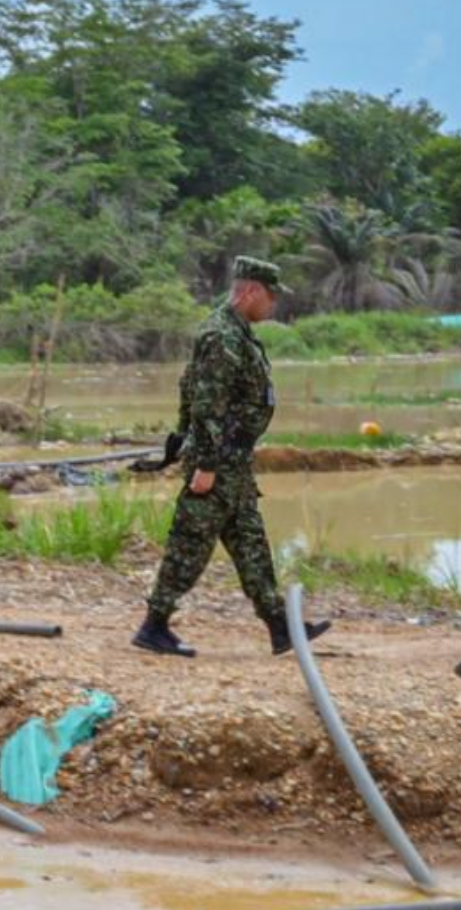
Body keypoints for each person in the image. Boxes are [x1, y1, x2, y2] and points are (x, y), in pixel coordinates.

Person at [133, 256, 330, 658]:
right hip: (216, 464)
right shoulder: (222, 337)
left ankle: (279, 626)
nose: (273, 305)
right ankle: (154, 626)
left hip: (233, 464)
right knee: (190, 545)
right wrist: (205, 466)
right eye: (271, 296)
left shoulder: (238, 334)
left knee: (250, 544)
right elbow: (207, 406)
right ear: (251, 291)